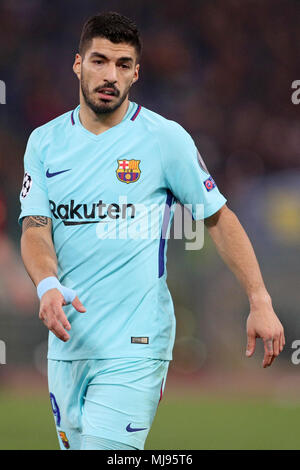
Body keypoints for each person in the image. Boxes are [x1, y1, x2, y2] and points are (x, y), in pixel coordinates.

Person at [19, 11, 284, 451]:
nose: (110, 75)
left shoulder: (165, 138)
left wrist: (259, 299)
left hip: (136, 342)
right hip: (68, 341)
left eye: (123, 65)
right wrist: (46, 284)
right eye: (99, 61)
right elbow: (35, 228)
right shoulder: (44, 142)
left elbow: (218, 217)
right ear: (77, 64)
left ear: (136, 73)